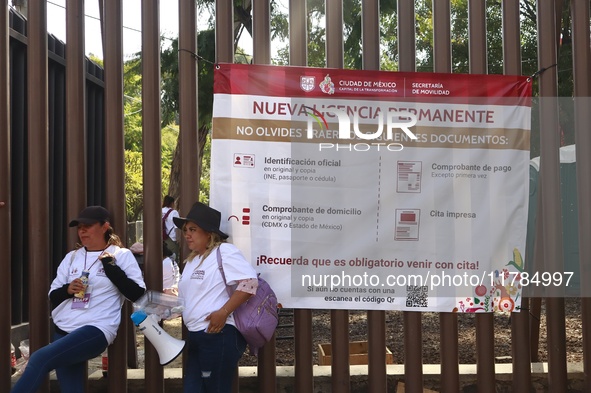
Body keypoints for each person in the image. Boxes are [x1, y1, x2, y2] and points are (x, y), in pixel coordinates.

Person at [11, 206, 146, 393]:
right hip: (64, 328)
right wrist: (68, 289)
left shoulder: (121, 255)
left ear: (105, 226)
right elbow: (53, 295)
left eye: (88, 226)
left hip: (96, 328)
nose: (82, 231)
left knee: (40, 359)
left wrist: (112, 269)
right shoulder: (72, 257)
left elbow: (137, 294)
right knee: (71, 389)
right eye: (79, 227)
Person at [174, 202, 258, 393]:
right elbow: (189, 298)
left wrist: (223, 312)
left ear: (209, 233)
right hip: (195, 335)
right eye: (186, 229)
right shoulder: (192, 260)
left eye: (193, 229)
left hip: (218, 335)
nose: (187, 234)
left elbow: (250, 283)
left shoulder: (224, 251)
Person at [162, 195, 180, 262]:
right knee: (173, 258)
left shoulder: (160, 211)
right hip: (171, 238)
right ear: (172, 203)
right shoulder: (174, 212)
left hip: (162, 238)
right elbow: (177, 227)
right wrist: (178, 238)